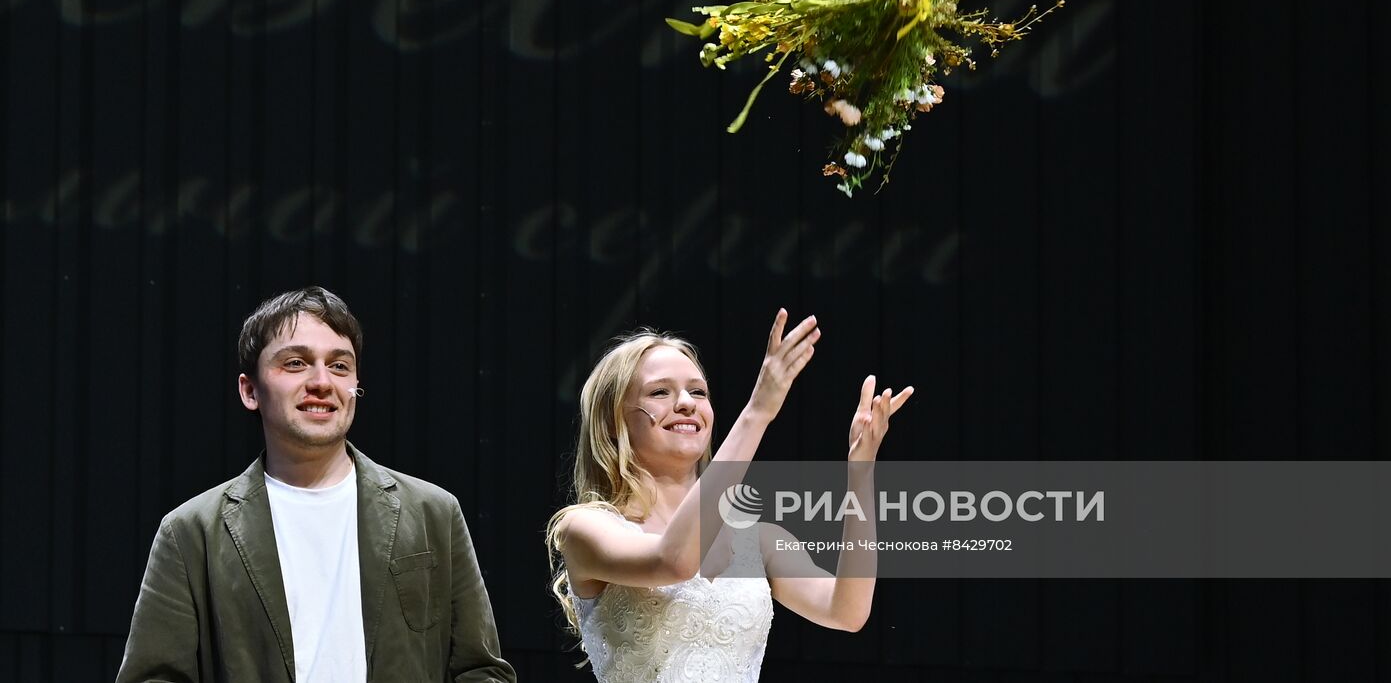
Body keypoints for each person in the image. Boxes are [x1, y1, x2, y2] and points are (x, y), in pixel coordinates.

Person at [117, 286, 515, 683]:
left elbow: (480, 672)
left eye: (340, 366)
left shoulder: (433, 512)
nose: (322, 382)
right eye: (295, 363)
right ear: (250, 390)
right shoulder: (190, 532)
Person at [546, 308, 912, 682]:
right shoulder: (586, 527)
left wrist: (861, 472)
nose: (687, 403)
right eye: (660, 392)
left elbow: (847, 610)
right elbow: (673, 561)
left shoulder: (757, 540)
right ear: (611, 421)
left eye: (698, 391)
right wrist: (757, 413)